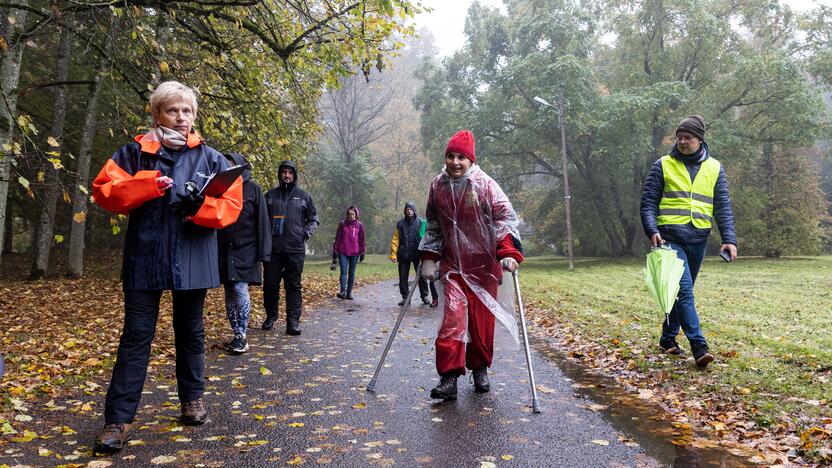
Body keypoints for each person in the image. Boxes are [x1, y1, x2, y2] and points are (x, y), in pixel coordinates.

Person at [91, 81, 243, 453]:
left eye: (186, 111)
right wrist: (147, 185)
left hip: (193, 259)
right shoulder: (133, 153)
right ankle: (118, 419)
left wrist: (197, 208)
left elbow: (232, 207)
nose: (180, 118)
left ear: (194, 116)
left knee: (191, 331)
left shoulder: (212, 158)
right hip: (145, 258)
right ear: (157, 113)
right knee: (136, 336)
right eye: (172, 110)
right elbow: (103, 192)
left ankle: (192, 401)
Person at [419, 130, 524, 401]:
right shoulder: (437, 185)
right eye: (451, 156)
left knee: (481, 323)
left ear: (470, 160)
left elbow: (504, 218)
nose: (455, 162)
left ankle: (479, 369)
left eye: (461, 157)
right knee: (452, 320)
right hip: (453, 266)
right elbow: (433, 224)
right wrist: (429, 257)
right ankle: (448, 377)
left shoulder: (485, 184)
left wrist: (508, 252)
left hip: (484, 266)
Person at [640, 115, 737, 369]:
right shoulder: (663, 164)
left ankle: (667, 337)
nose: (682, 142)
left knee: (677, 292)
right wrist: (651, 229)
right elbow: (648, 202)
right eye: (679, 137)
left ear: (700, 139)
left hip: (698, 239)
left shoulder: (715, 167)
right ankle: (699, 346)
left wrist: (729, 239)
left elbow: (723, 206)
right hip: (670, 237)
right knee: (684, 292)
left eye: (688, 138)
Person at [217, 153, 272, 355]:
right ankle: (236, 333)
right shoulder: (219, 188)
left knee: (240, 289)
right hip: (225, 249)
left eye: (232, 164)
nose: (229, 167)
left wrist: (264, 254)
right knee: (229, 291)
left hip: (246, 249)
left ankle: (242, 336)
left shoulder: (253, 189)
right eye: (226, 165)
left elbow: (263, 223)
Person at [262, 160, 319, 335]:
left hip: (295, 249)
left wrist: (304, 234)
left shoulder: (303, 196)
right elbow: (262, 221)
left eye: (290, 172)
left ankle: (292, 321)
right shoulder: (270, 195)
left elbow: (314, 219)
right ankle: (271, 316)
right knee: (271, 285)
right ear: (280, 174)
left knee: (293, 285)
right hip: (273, 249)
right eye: (284, 172)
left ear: (294, 175)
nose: (287, 175)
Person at [389, 200, 438, 307]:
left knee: (421, 276)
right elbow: (395, 239)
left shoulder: (421, 222)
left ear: (414, 210)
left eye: (411, 209)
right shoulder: (400, 223)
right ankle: (405, 297)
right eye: (407, 209)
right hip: (404, 253)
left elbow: (426, 236)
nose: (409, 211)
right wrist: (393, 253)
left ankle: (424, 296)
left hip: (418, 253)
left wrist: (426, 251)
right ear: (405, 211)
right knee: (403, 277)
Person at [331, 206, 366, 300]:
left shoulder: (360, 225)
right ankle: (343, 291)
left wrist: (362, 252)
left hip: (355, 252)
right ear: (347, 215)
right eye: (349, 214)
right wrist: (335, 252)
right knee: (343, 271)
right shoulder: (342, 224)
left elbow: (362, 239)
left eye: (353, 214)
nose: (351, 216)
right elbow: (337, 239)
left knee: (351, 273)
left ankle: (349, 293)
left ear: (356, 215)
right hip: (343, 251)